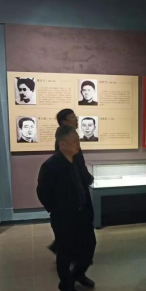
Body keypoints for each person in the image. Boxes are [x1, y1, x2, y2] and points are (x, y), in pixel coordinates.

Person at [37, 125, 96, 291]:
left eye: (78, 140)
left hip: (83, 214)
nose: (78, 144)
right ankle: (66, 285)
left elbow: (84, 182)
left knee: (89, 246)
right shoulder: (51, 166)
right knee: (65, 252)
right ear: (62, 144)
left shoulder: (77, 161)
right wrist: (56, 210)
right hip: (64, 217)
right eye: (74, 141)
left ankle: (78, 273)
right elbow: (43, 192)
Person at [46, 109, 88, 255]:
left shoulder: (70, 137)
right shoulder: (64, 140)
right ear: (64, 121)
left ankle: (65, 248)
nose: (76, 120)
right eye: (73, 117)